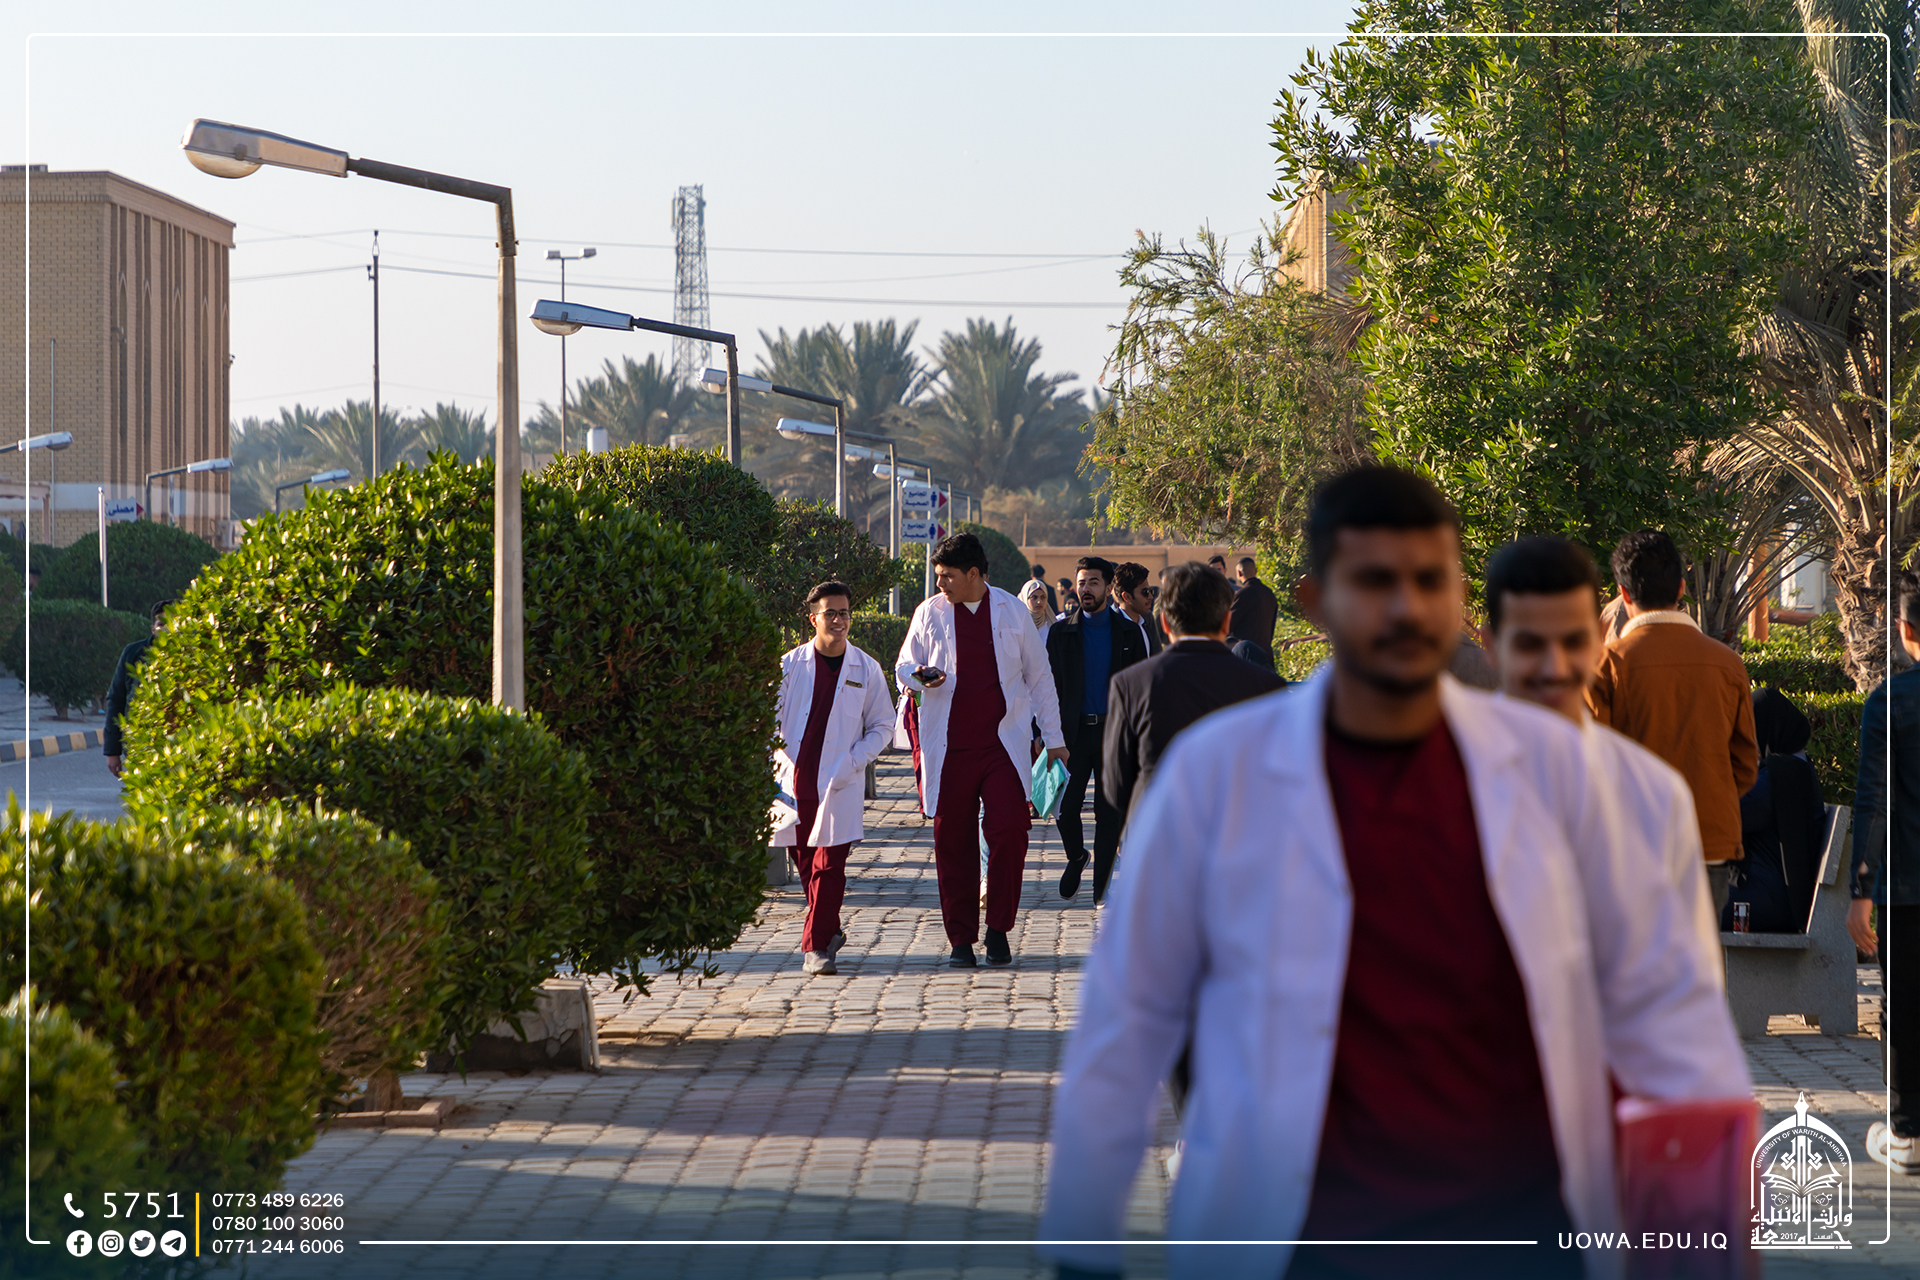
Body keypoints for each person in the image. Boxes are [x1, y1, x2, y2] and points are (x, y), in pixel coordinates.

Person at [1040, 467, 1745, 1280]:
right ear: (1316, 600)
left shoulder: (1588, 786)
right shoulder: (1217, 777)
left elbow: (1674, 1036)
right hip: (1299, 1237)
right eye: (1375, 581)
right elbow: (1129, 1017)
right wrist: (1083, 1243)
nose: (1406, 608)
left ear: (1459, 598)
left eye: (1429, 580)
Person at [1479, 536, 1717, 954]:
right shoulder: (1447, 781)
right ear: (1490, 644)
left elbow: (1680, 979)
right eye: (1530, 643)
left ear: (1598, 642)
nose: (1555, 667)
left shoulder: (1660, 798)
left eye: (1572, 641)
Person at [896, 533, 1066, 968]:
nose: (941, 585)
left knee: (1010, 831)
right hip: (950, 748)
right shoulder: (929, 613)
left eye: (948, 576)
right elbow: (903, 666)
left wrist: (1055, 739)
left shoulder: (1012, 610)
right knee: (952, 842)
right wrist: (920, 675)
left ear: (973, 574)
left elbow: (1040, 677)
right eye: (938, 577)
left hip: (1002, 746)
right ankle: (960, 940)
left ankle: (998, 929)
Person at [1588, 529, 1758, 917]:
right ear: (1681, 587)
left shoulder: (1606, 664)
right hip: (1708, 844)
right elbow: (1746, 766)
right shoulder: (1728, 664)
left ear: (1624, 593)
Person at [772, 582, 896, 976]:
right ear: (814, 619)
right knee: (808, 866)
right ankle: (830, 928)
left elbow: (884, 724)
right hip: (794, 781)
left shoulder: (866, 668)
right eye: (831, 613)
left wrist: (855, 760)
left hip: (839, 781)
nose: (839, 620)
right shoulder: (789, 665)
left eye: (844, 613)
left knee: (829, 865)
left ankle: (816, 947)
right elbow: (767, 717)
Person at [1103, 561, 1285, 825]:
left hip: (1159, 830)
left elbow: (1115, 787)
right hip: (1239, 832)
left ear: (1165, 622)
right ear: (1226, 621)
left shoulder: (1131, 684)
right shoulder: (1269, 686)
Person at [1852, 570, 1920, 1175]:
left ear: (1904, 630)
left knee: (1904, 1006)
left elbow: (1872, 801)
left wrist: (1860, 891)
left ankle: (1906, 1133)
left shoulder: (1889, 702)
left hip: (1906, 885)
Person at [1045, 556, 1148, 904]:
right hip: (1072, 735)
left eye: (1093, 582)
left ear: (1108, 587)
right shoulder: (1061, 633)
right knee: (1064, 808)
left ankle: (1100, 889)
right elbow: (1047, 687)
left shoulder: (1129, 633)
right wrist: (1045, 734)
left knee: (1109, 814)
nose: (1085, 589)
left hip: (1113, 735)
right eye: (1081, 582)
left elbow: (1140, 689)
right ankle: (1077, 856)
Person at [1725, 688, 1829, 933]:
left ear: (1766, 728)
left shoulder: (1781, 775)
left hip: (1766, 901)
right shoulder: (1791, 769)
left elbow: (1730, 815)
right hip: (1767, 893)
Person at [103, 598, 171, 778]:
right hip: (140, 747)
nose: (166, 628)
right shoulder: (133, 654)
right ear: (153, 628)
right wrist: (112, 751)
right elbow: (116, 700)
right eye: (161, 624)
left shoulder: (193, 655)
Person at [1226, 556, 1278, 651]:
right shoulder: (1269, 593)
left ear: (1239, 573)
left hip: (1247, 652)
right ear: (1256, 571)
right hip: (1266, 652)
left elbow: (1228, 624)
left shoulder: (1243, 594)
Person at [1111, 561, 1161, 657]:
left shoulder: (1146, 621)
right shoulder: (1111, 627)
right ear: (1127, 597)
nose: (1150, 597)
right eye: (1145, 592)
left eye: (1150, 591)